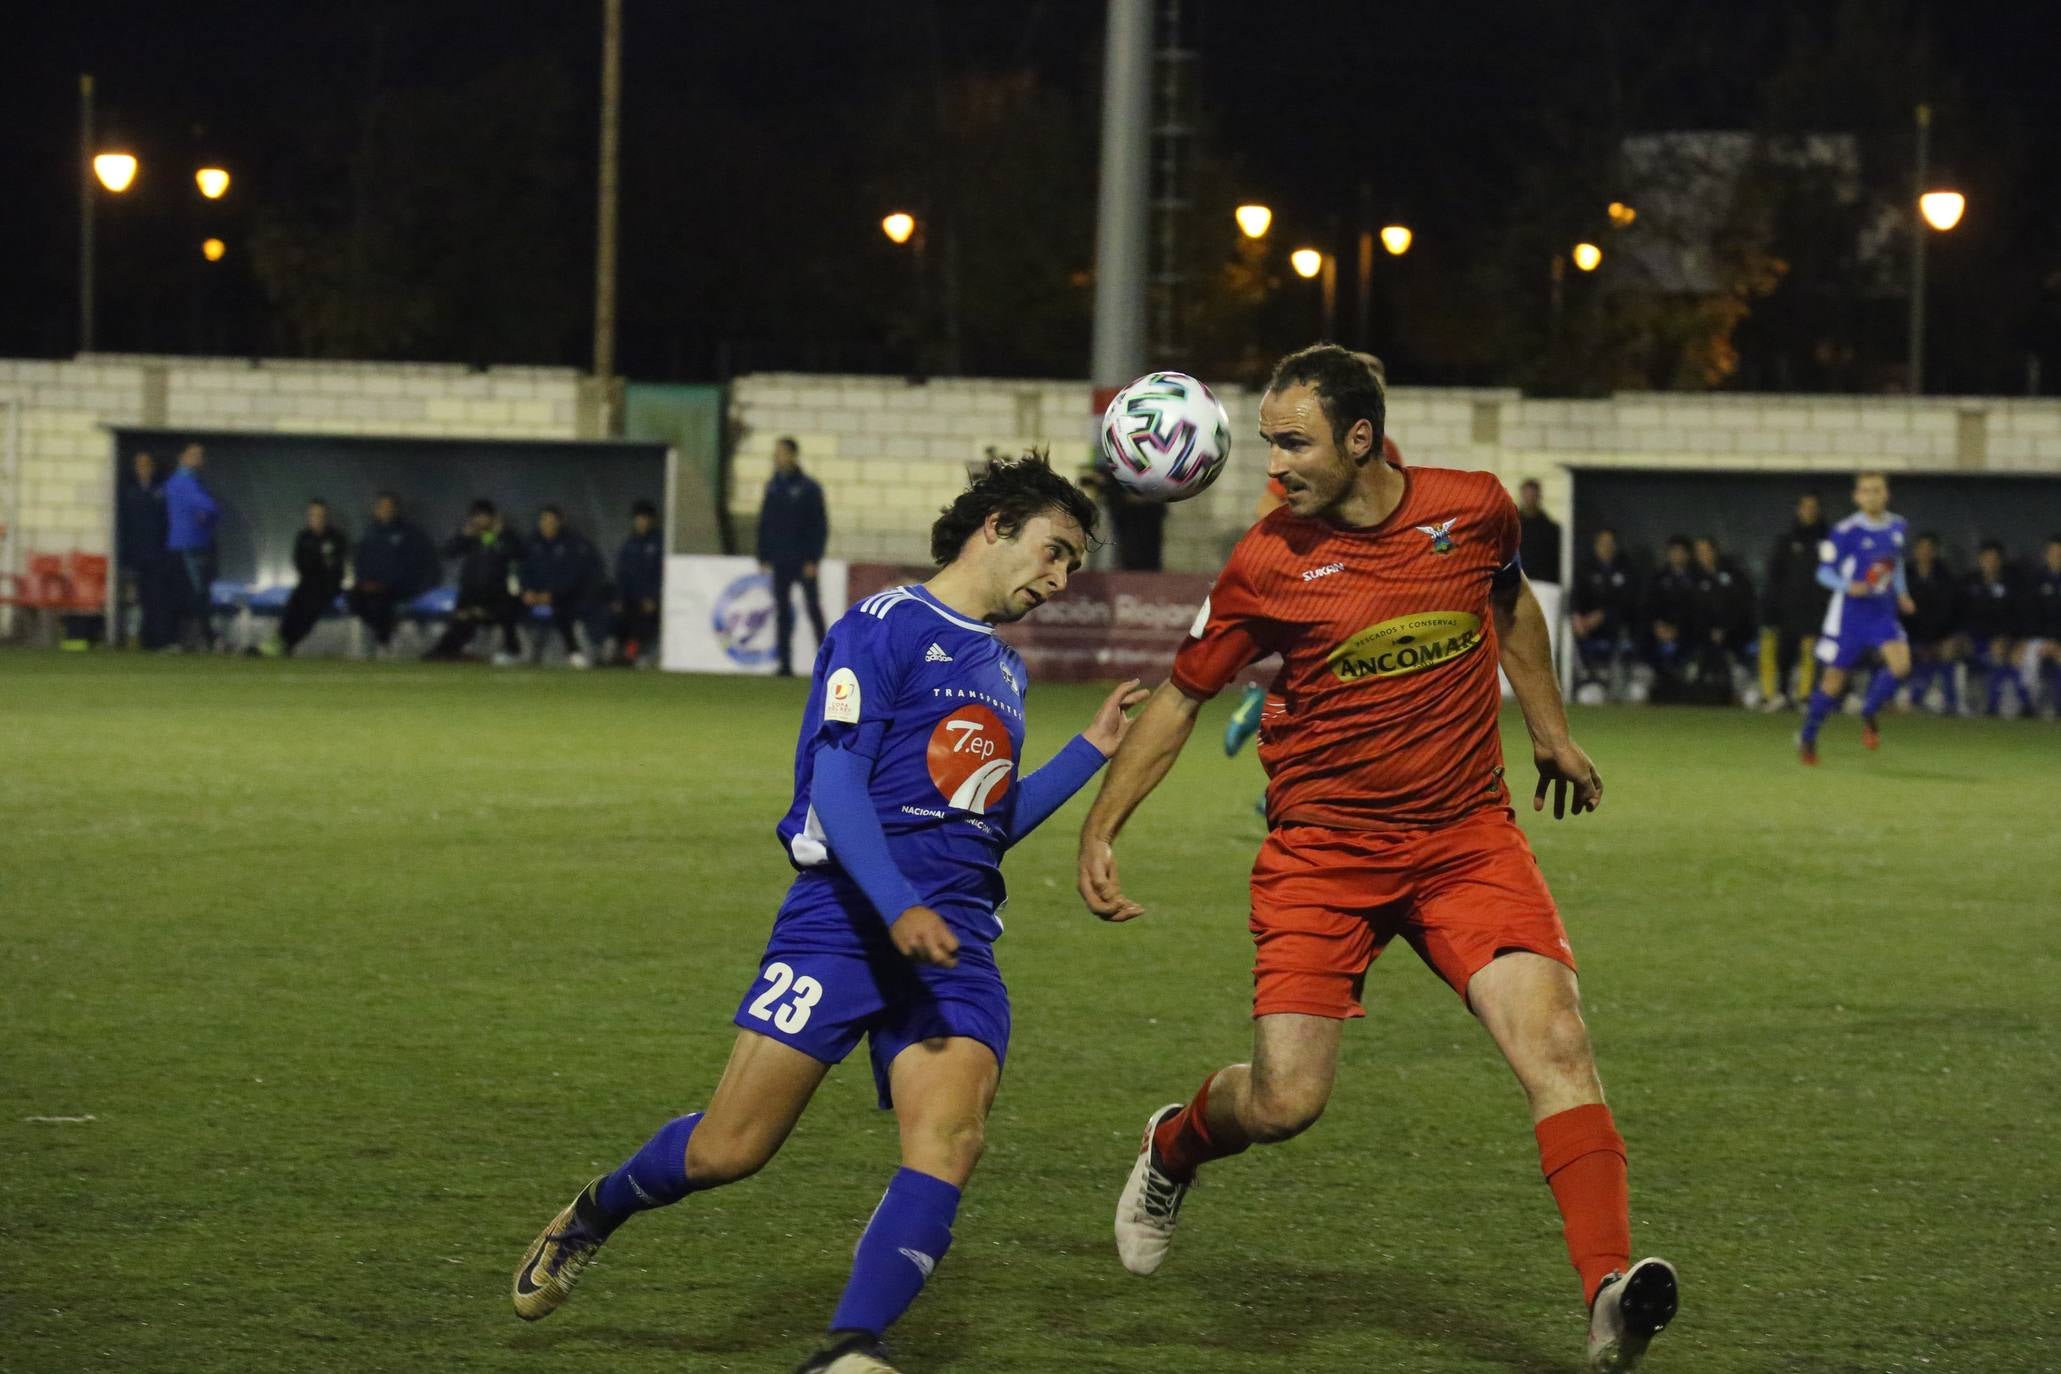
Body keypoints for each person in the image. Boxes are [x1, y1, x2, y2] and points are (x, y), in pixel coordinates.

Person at [1075, 344, 1676, 1374]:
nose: (1276, 467)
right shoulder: (1268, 560)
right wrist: (1102, 823)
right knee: (1284, 1105)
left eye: (1295, 443)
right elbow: (1183, 695)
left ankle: (1609, 1295)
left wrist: (1546, 728)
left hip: (1465, 842)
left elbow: (1509, 601)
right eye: (1268, 444)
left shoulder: (1475, 509)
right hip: (1323, 858)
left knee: (1560, 1046)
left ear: (1361, 440)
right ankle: (1175, 1143)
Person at [510, 454, 1148, 1374]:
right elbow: (837, 783)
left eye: (1071, 567)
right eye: (1053, 553)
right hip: (847, 923)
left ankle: (850, 1350)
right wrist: (893, 907)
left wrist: (1089, 749)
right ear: (996, 524)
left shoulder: (1002, 668)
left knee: (953, 1138)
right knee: (729, 1151)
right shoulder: (883, 626)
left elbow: (981, 823)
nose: (1057, 581)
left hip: (952, 940)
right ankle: (596, 1211)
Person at [1230, 351, 1399, 754]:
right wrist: (1309, 553)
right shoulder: (1317, 449)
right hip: (1330, 574)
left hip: (1371, 578)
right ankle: (1263, 710)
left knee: (1358, 688)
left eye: (1377, 378)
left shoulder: (1386, 448)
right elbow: (1266, 509)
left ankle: (1266, 718)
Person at [1797, 473, 1915, 764]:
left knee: (1901, 665)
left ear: (1886, 494)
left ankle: (1868, 710)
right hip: (1851, 615)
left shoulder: (1898, 526)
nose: (1872, 496)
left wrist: (1902, 593)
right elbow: (1823, 573)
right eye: (1866, 491)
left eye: (1877, 490)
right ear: (1856, 497)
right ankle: (1808, 737)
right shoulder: (1844, 531)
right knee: (1834, 681)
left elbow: (1895, 563)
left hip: (1882, 611)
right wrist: (1848, 586)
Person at [758, 436, 830, 677]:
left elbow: (819, 526)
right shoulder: (773, 486)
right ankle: (784, 664)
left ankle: (828, 661)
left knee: (812, 609)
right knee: (782, 612)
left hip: (803, 559)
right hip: (781, 559)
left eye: (780, 453)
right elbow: (765, 523)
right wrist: (764, 554)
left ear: (792, 455)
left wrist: (813, 558)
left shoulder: (809, 488)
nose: (776, 458)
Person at [424, 499, 524, 664]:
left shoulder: (506, 535)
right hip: (470, 593)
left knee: (506, 612)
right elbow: (447, 552)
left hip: (497, 594)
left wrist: (497, 534)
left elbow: (516, 553)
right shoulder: (470, 537)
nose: (479, 520)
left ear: (493, 517)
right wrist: (463, 536)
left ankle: (512, 650)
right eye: (476, 516)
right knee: (461, 617)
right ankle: (446, 650)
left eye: (483, 516)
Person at [1760, 494, 1831, 709]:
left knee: (1810, 652)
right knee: (1783, 654)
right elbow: (1775, 575)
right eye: (1805, 507)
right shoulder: (1786, 541)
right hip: (1787, 608)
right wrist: (1772, 606)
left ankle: (1804, 697)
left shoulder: (1827, 541)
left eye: (1813, 507)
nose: (1809, 511)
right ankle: (1776, 695)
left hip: (1815, 609)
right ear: (1798, 510)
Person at [349, 492, 437, 657]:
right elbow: (360, 561)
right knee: (352, 599)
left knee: (380, 603)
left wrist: (404, 584)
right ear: (376, 510)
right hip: (370, 586)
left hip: (396, 587)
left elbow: (417, 564)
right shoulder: (369, 534)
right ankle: (385, 630)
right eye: (382, 507)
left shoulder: (409, 533)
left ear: (396, 510)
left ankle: (383, 643)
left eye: (389, 507)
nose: (385, 510)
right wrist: (364, 582)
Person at [519, 506, 602, 668]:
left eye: (551, 521)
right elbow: (523, 571)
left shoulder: (571, 545)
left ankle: (573, 652)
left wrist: (551, 594)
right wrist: (528, 591)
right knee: (507, 609)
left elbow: (572, 576)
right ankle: (516, 651)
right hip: (534, 600)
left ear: (559, 522)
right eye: (544, 521)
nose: (547, 525)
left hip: (561, 599)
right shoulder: (532, 543)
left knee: (562, 612)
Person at [163, 441, 221, 651]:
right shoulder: (183, 482)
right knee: (195, 594)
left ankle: (187, 639)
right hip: (188, 546)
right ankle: (202, 638)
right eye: (195, 455)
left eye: (201, 455)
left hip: (186, 544)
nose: (199, 459)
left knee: (192, 594)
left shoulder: (185, 482)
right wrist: (207, 520)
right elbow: (210, 507)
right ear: (183, 458)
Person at [1961, 540, 2029, 717]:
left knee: (1999, 650)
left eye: (1994, 559)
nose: (1991, 563)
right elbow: (1958, 613)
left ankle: (1994, 705)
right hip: (1973, 639)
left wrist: (2009, 637)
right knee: (1951, 647)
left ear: (2001, 561)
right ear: (1980, 560)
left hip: (2002, 640)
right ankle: (1953, 703)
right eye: (1987, 559)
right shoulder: (1969, 582)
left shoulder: (2013, 583)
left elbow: (2019, 616)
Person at [1570, 527, 1641, 695]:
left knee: (1633, 693)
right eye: (1602, 543)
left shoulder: (1626, 568)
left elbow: (1628, 602)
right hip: (1588, 628)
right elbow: (1576, 596)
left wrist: (1603, 615)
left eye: (1610, 543)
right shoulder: (1585, 568)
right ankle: (1585, 677)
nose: (1606, 547)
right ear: (1596, 545)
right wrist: (1578, 617)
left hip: (1616, 628)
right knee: (1589, 695)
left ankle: (1618, 683)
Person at [275, 499, 349, 656]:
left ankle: (289, 642)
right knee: (295, 601)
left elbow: (335, 568)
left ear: (326, 517)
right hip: (307, 584)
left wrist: (318, 565)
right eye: (314, 515)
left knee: (312, 603)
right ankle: (281, 638)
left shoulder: (336, 538)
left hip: (329, 586)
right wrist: (319, 563)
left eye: (320, 515)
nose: (317, 519)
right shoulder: (303, 537)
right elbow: (301, 564)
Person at [118, 450, 175, 650]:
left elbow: (166, 523)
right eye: (139, 466)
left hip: (157, 556)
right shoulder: (128, 493)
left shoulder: (161, 492)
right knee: (136, 600)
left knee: (156, 599)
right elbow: (124, 526)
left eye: (147, 465)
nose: (143, 470)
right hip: (136, 556)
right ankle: (134, 640)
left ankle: (155, 640)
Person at [1899, 532, 1962, 714]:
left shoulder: (1945, 577)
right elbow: (1897, 612)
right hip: (1909, 637)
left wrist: (1934, 641)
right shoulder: (1904, 575)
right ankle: (1898, 698)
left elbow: (1948, 612)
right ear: (1915, 551)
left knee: (1947, 650)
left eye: (1929, 549)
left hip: (1938, 637)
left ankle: (1950, 703)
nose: (1925, 552)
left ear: (1935, 552)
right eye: (1921, 548)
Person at [1689, 535, 1755, 691]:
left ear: (1715, 551)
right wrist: (1708, 631)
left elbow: (1741, 606)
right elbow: (1692, 612)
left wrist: (1725, 629)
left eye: (1706, 551)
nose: (1703, 555)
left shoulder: (1733, 575)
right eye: (1699, 552)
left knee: (1735, 664)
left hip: (1734, 635)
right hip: (1701, 637)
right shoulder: (1692, 578)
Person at [614, 499, 665, 666]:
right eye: (638, 518)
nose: (641, 522)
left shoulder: (660, 543)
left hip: (652, 600)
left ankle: (631, 653)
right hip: (630, 598)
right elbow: (622, 574)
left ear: (651, 520)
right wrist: (620, 598)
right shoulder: (629, 544)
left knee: (642, 618)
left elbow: (662, 574)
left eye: (644, 518)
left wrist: (654, 597)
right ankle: (615, 651)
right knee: (616, 615)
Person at [1642, 537, 1697, 687]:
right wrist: (1658, 626)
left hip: (1687, 633)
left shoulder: (1697, 578)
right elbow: (1650, 606)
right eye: (1673, 552)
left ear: (1688, 555)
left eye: (1680, 552)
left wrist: (1678, 629)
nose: (1676, 555)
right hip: (1660, 632)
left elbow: (1695, 610)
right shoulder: (1658, 578)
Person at [2023, 537, 2061, 715]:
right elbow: (2031, 615)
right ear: (2046, 555)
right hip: (2040, 639)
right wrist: (2043, 641)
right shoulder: (2036, 580)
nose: (2057, 557)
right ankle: (2029, 705)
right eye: (2054, 553)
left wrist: (2056, 642)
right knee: (2026, 656)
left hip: (2058, 642)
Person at [1517, 478, 1563, 585]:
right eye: (1527, 495)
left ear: (1539, 497)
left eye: (1533, 495)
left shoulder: (1551, 529)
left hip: (1543, 585)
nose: (1529, 499)